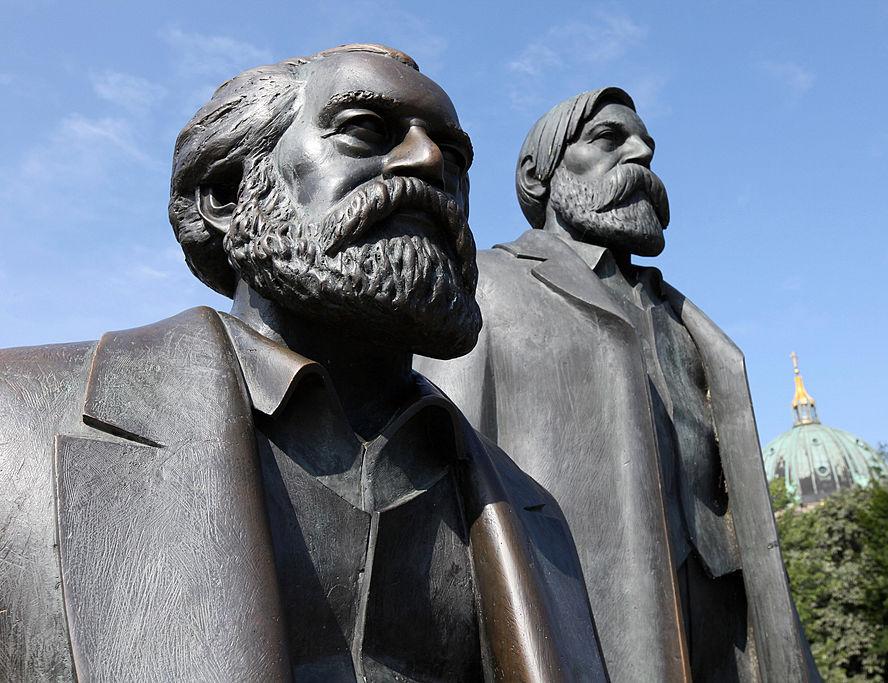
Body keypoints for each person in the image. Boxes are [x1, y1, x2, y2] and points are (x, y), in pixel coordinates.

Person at [0, 45, 607, 682]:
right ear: (227, 192)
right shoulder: (18, 421)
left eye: (454, 158)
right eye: (365, 130)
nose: (430, 163)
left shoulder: (536, 518)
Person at [416, 88, 820, 682]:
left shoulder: (684, 320)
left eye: (647, 148)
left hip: (720, 611)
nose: (640, 157)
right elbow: (435, 466)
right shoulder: (486, 287)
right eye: (608, 140)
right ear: (538, 174)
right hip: (577, 605)